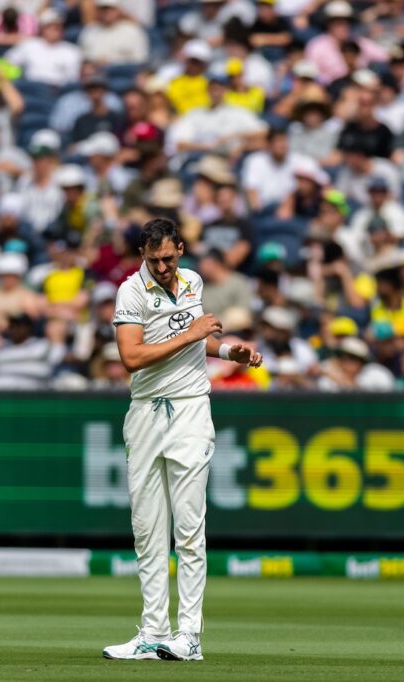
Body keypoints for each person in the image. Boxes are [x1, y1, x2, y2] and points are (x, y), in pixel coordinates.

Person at [104, 218, 262, 662]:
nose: (162, 267)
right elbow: (131, 357)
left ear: (181, 249)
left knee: (189, 529)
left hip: (191, 409)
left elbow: (199, 346)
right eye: (153, 259)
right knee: (148, 529)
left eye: (169, 258)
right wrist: (189, 333)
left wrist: (231, 351)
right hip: (145, 412)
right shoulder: (130, 291)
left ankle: (189, 636)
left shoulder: (190, 280)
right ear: (142, 254)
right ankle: (153, 632)